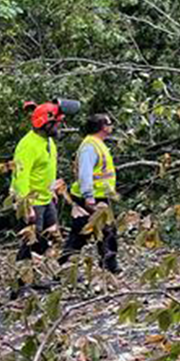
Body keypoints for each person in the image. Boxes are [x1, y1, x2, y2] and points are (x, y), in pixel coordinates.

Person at [10, 99, 79, 288]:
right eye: (57, 123)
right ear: (45, 123)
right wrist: (26, 205)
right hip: (32, 201)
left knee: (49, 238)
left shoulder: (48, 142)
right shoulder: (28, 145)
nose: (60, 127)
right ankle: (19, 285)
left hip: (46, 198)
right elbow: (20, 177)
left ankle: (40, 276)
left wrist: (52, 188)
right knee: (30, 242)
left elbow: (47, 169)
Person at [59, 112, 119, 274]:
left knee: (108, 231)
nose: (111, 126)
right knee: (81, 233)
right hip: (89, 198)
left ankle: (109, 264)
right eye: (109, 123)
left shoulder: (98, 144)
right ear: (102, 127)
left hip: (100, 196)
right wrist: (88, 196)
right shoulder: (90, 146)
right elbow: (85, 174)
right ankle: (64, 265)